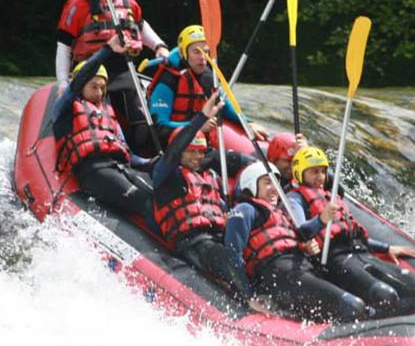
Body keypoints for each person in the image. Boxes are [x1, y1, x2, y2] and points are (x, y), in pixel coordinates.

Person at [287, 146, 415, 315]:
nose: (320, 177)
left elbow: (352, 233)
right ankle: (368, 316)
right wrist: (321, 219)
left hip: (362, 254)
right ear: (299, 173)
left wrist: (386, 248)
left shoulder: (332, 196)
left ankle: (380, 316)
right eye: (313, 172)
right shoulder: (295, 198)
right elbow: (301, 232)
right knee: (386, 296)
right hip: (337, 260)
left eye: (322, 171)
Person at [225, 161, 374, 323]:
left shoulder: (280, 214)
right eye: (268, 183)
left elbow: (299, 235)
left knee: (369, 304)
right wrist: (249, 297)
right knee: (353, 306)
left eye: (276, 183)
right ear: (251, 186)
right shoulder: (245, 210)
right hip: (278, 275)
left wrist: (308, 244)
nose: (275, 188)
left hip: (301, 268)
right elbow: (233, 255)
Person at [55, 0, 170, 151]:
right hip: (91, 68)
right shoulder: (78, 5)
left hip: (122, 67)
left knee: (139, 119)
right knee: (101, 115)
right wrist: (63, 83)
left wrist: (159, 46)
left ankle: (142, 155)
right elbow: (63, 46)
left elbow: (141, 27)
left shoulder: (127, 2)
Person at [151, 91, 254, 300]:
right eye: (192, 151)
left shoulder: (210, 177)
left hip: (217, 239)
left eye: (201, 152)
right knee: (228, 259)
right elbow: (174, 148)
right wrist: (201, 118)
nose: (198, 157)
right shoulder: (167, 174)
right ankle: (251, 301)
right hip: (192, 244)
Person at [52, 37, 154, 217]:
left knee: (158, 197)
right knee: (144, 200)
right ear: (81, 85)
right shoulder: (65, 108)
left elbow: (130, 155)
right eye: (93, 86)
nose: (99, 92)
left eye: (102, 87)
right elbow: (80, 78)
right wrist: (107, 50)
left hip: (120, 168)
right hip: (93, 171)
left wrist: (153, 163)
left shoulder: (107, 113)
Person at [148, 24, 269, 146]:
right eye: (196, 52)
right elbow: (160, 127)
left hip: (197, 144)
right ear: (182, 52)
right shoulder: (168, 80)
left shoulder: (207, 77)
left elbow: (224, 105)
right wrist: (197, 126)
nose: (202, 58)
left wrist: (247, 123)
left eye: (206, 52)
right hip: (171, 146)